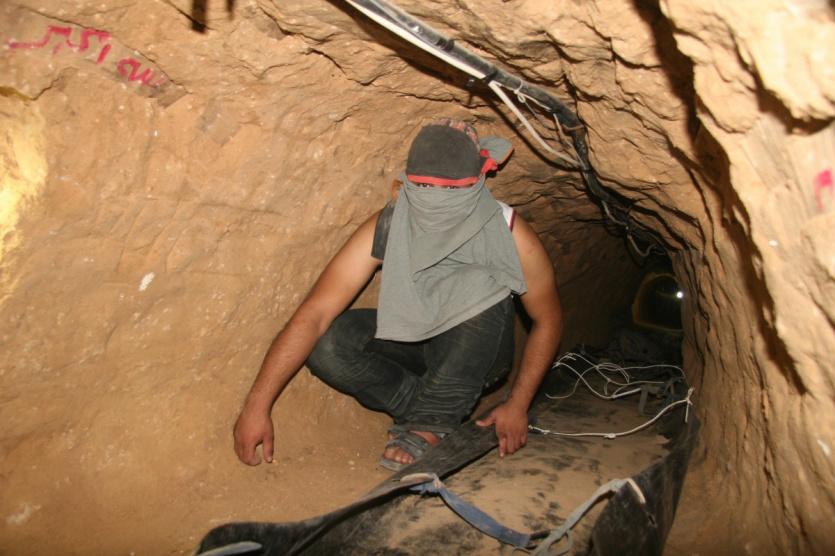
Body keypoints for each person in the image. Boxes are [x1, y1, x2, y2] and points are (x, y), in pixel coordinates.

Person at [234, 119, 562, 470]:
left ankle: (428, 425)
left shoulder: (508, 233)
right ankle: (429, 410)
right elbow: (316, 314)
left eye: (450, 192)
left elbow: (549, 319)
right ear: (407, 182)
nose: (435, 202)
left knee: (481, 280)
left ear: (477, 181)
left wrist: (518, 403)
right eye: (423, 188)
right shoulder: (390, 224)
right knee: (327, 343)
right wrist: (257, 405)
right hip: (416, 341)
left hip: (479, 348)